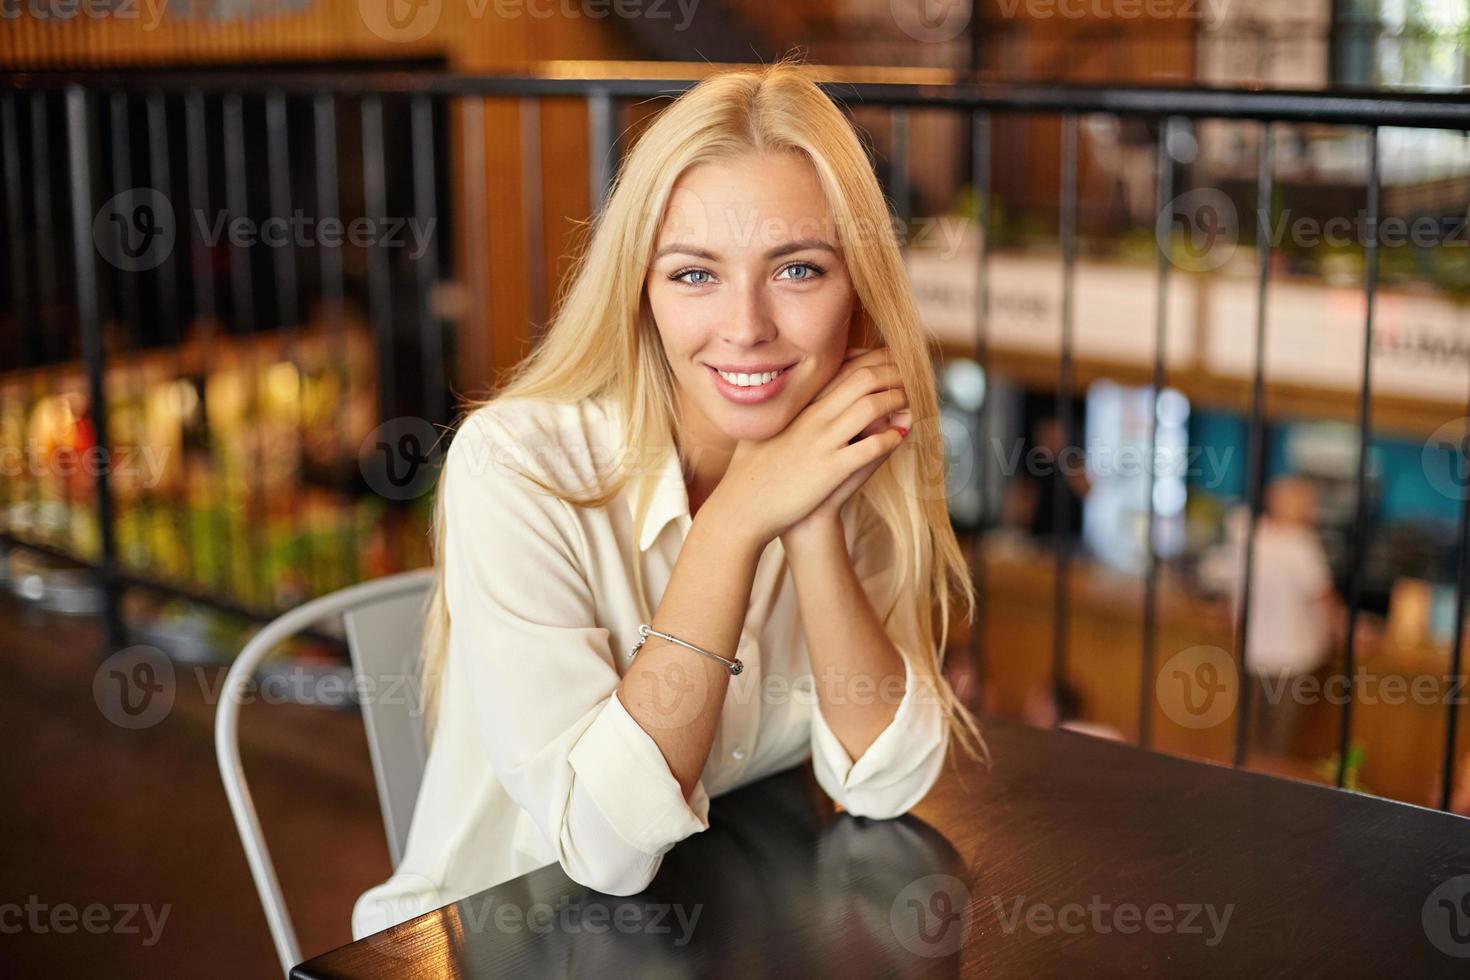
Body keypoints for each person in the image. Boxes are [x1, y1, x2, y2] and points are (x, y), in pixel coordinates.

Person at [351, 61, 985, 938]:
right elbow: (604, 850)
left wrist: (808, 521)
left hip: (700, 933)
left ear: (860, 293)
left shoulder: (843, 462)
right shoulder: (517, 467)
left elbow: (885, 780)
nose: (746, 325)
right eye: (695, 274)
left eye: (798, 269)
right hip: (494, 941)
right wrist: (731, 525)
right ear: (642, 293)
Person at [1199, 476, 1339, 757]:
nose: (1312, 509)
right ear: (1278, 502)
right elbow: (1324, 600)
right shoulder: (1302, 545)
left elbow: (1227, 582)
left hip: (1252, 651)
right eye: (1306, 502)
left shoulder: (1246, 533)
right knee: (1276, 742)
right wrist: (1350, 632)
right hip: (1291, 657)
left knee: (1248, 737)